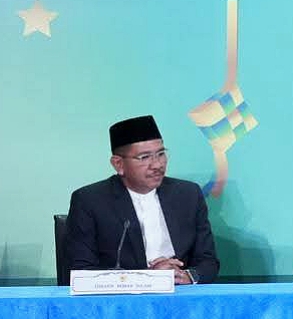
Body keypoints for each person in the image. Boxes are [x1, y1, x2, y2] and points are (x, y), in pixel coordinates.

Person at [65, 115, 219, 284]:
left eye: (161, 154)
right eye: (144, 157)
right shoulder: (90, 201)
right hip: (121, 295)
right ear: (118, 164)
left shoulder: (188, 194)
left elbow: (208, 261)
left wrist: (188, 276)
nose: (157, 165)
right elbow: (82, 270)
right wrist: (148, 277)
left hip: (181, 291)